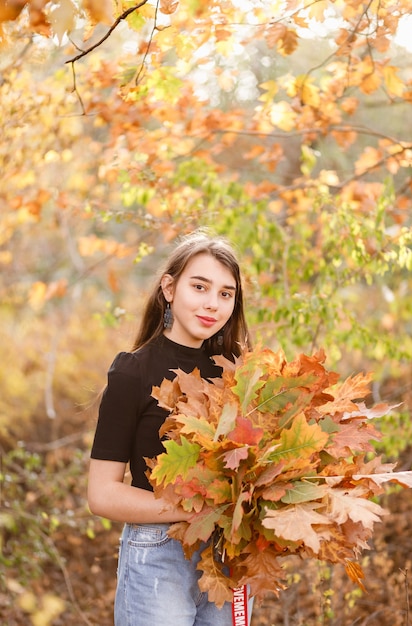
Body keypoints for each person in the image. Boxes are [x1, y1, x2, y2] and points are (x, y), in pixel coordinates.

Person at [88, 231, 252, 626]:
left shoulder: (238, 374)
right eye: (200, 286)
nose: (213, 303)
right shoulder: (133, 371)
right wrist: (194, 510)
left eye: (226, 294)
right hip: (157, 556)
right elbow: (102, 494)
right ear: (169, 287)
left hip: (226, 556)